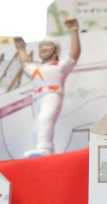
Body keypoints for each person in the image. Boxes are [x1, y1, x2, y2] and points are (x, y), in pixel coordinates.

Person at [13, 17, 82, 157]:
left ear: (56, 50)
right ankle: (45, 149)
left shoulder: (60, 67)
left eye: (48, 45)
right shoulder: (37, 70)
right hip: (38, 98)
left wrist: (73, 30)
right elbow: (25, 63)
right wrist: (21, 48)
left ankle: (45, 148)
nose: (43, 48)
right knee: (37, 126)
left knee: (45, 119)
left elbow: (74, 54)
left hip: (52, 95)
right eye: (41, 46)